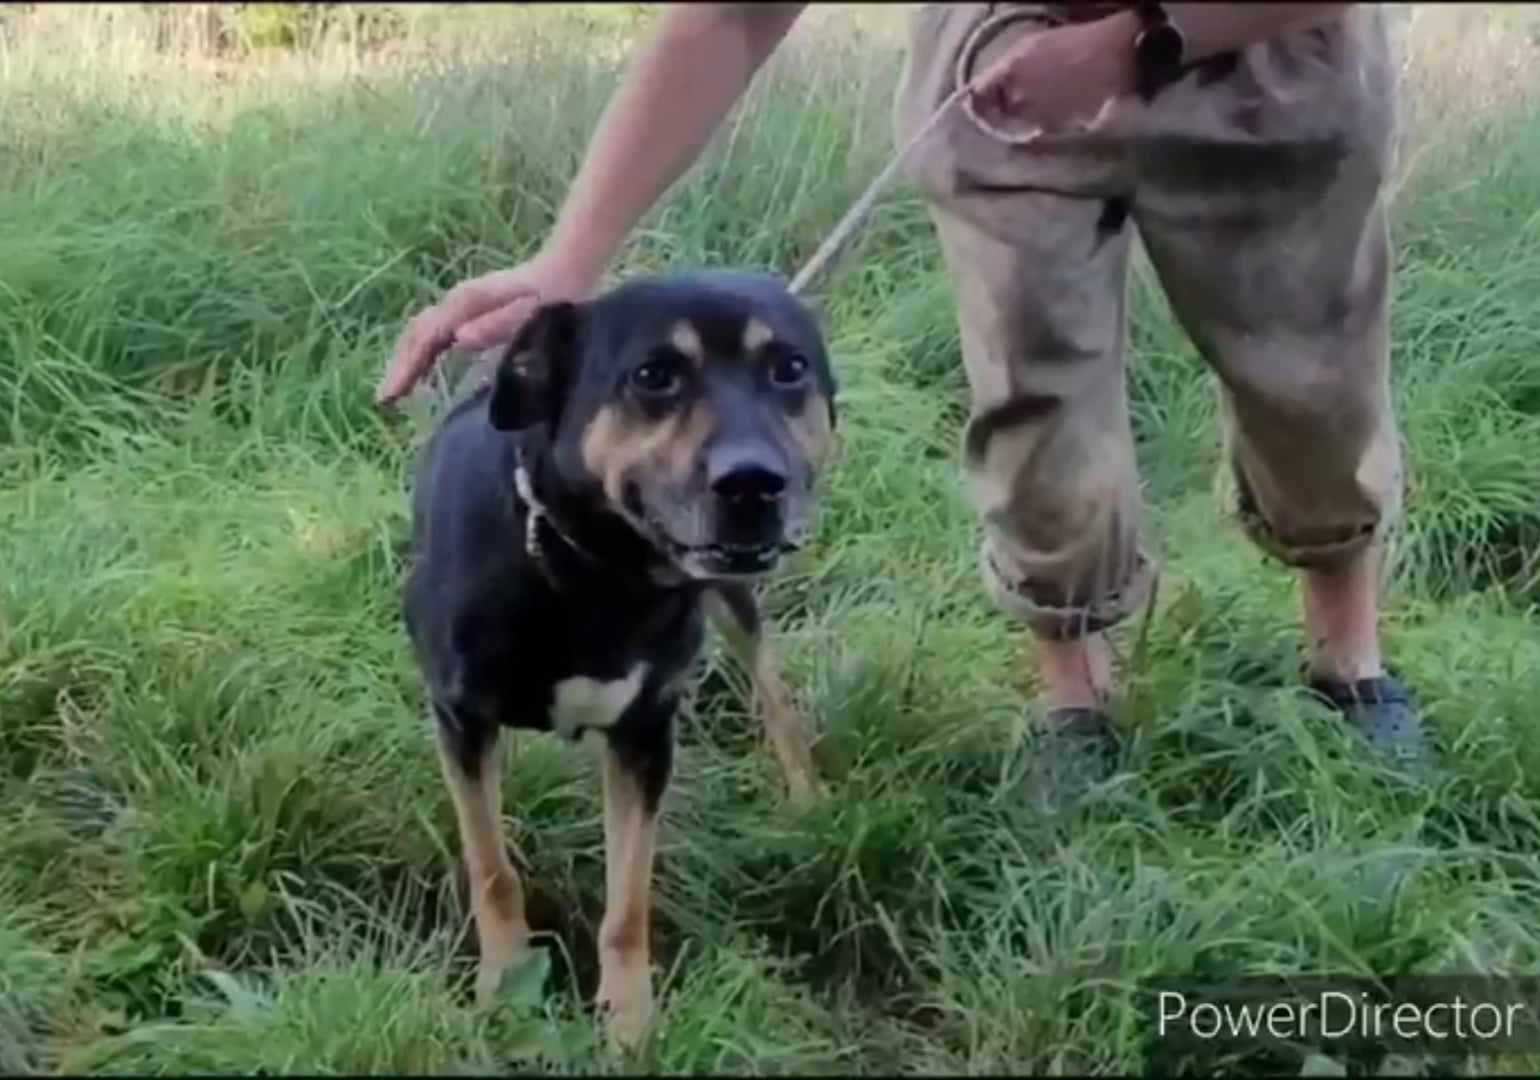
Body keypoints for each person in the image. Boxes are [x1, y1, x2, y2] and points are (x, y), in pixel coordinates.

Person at [377, 3, 1429, 808]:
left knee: (1312, 386)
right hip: (1007, 56)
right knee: (1034, 392)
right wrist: (568, 263)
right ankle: (1073, 701)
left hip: (1268, 51)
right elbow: (730, 13)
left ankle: (1349, 666)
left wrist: (1142, 40)